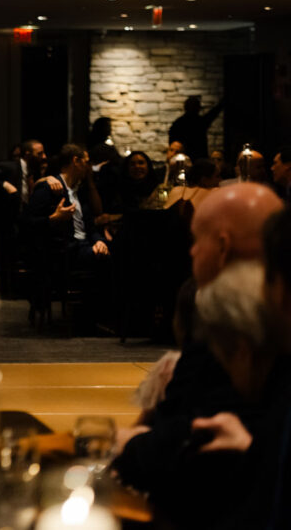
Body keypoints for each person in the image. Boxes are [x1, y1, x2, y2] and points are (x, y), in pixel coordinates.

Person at [111, 183, 284, 517]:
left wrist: (130, 445)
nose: (190, 252)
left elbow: (194, 442)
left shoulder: (235, 318)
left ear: (222, 246)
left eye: (195, 240)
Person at [169, 95, 224, 160]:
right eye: (192, 106)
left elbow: (213, 114)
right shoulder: (180, 124)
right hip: (186, 159)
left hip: (198, 160)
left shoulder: (179, 123)